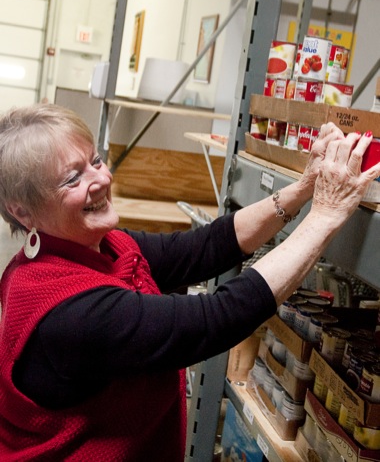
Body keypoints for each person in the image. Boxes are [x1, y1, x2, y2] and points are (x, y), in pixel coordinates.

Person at [0, 103, 378, 462]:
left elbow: (201, 248)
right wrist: (325, 216)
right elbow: (217, 318)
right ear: (22, 210)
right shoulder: (68, 312)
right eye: (73, 178)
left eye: (96, 161)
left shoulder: (98, 245)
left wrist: (303, 189)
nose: (101, 179)